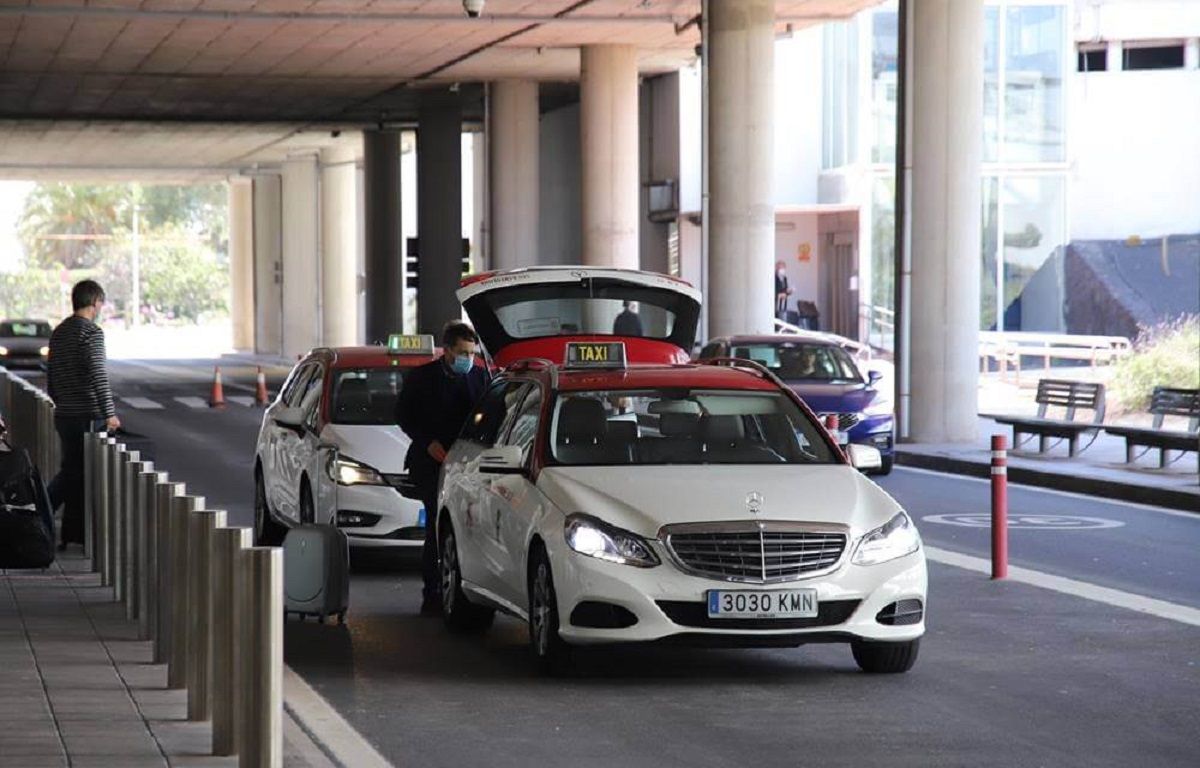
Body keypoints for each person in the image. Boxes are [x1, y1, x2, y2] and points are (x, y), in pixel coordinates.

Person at [396, 321, 489, 616]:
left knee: (466, 524)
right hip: (431, 462)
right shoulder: (422, 378)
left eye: (472, 353)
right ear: (446, 351)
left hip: (466, 464)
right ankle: (433, 588)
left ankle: (465, 583)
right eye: (463, 352)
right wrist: (427, 443)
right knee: (437, 522)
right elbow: (403, 415)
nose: (468, 359)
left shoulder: (480, 377)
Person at [46, 280, 120, 550]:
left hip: (64, 415)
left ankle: (73, 534)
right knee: (74, 474)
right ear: (96, 302)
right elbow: (99, 375)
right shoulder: (91, 333)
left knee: (76, 474)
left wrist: (61, 402)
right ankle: (39, 510)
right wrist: (109, 414)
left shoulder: (59, 332)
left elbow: (51, 377)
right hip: (87, 416)